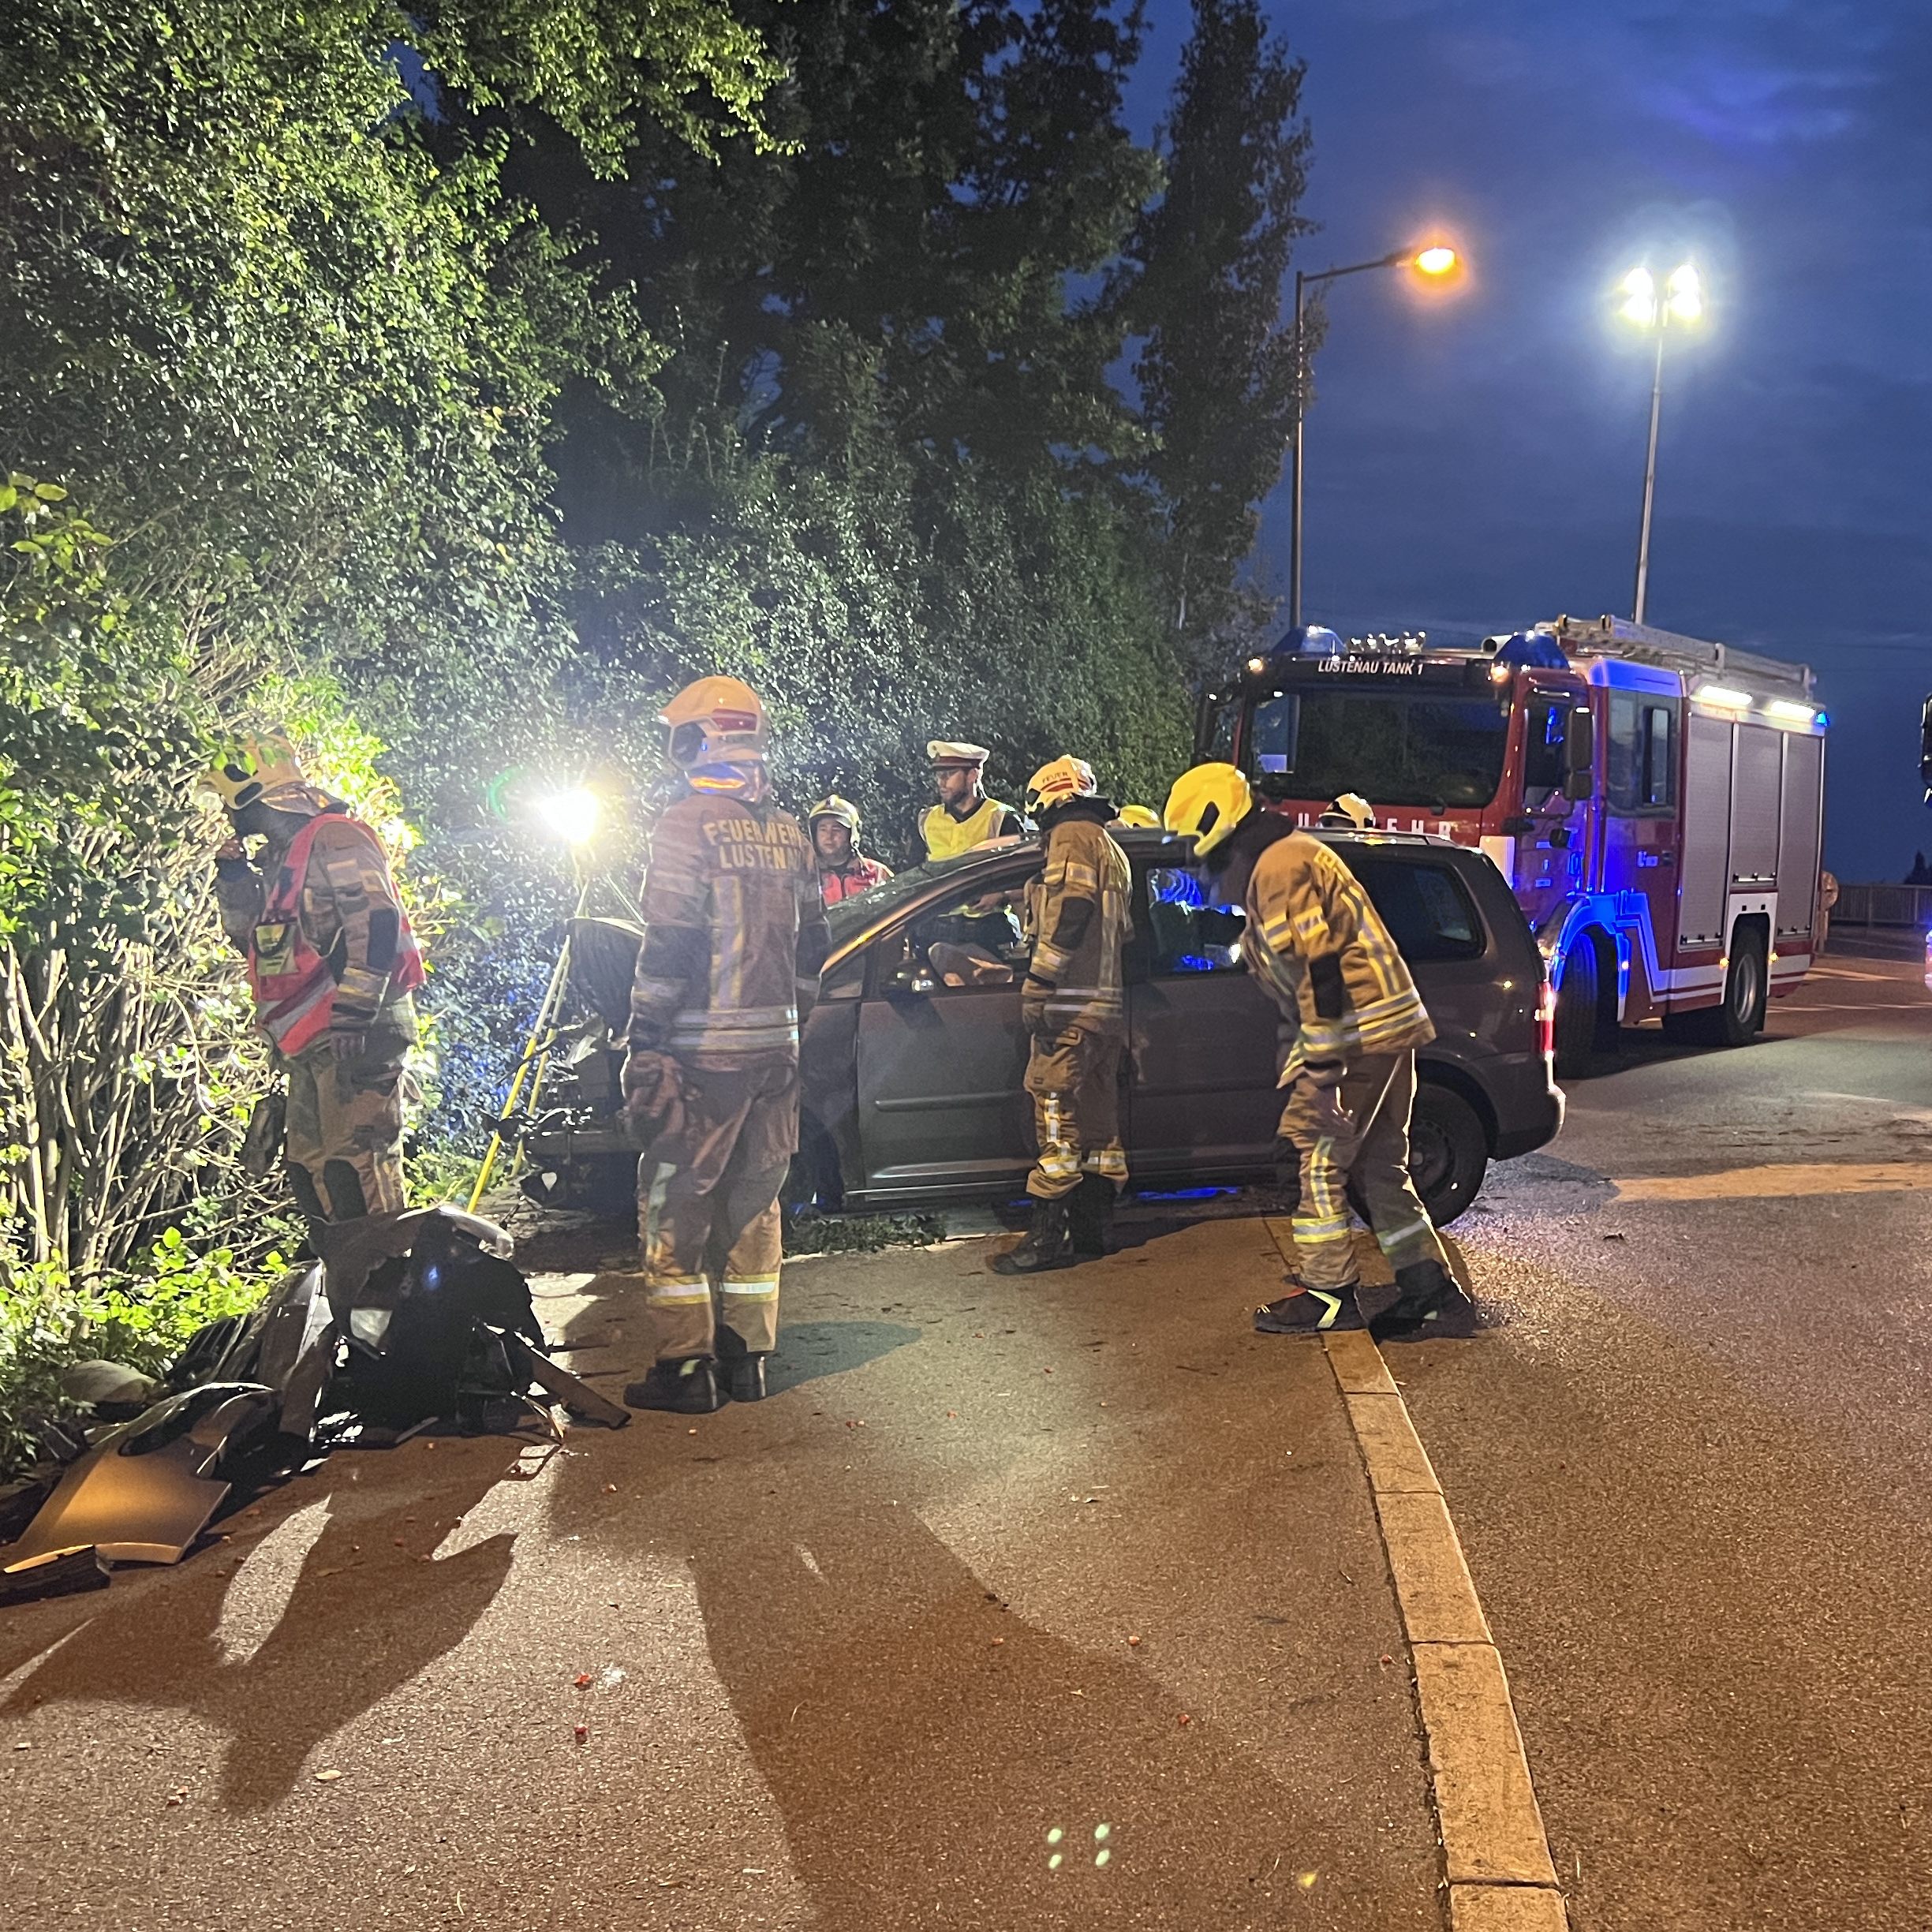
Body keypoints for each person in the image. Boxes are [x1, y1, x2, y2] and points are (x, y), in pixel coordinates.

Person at [1162, 762, 1477, 1340]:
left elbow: (1320, 970)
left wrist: (1324, 1073)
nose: (1192, 867)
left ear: (1216, 835)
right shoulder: (1286, 859)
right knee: (1380, 1166)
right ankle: (1432, 1293)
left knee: (1316, 1157)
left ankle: (1328, 1294)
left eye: (1193, 852)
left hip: (1355, 1034)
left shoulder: (1278, 868)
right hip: (1381, 1026)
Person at [623, 676, 830, 1414]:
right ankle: (749, 1359)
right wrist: (790, 1025)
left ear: (698, 739)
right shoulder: (789, 831)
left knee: (676, 1203)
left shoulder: (686, 823)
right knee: (755, 1201)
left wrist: (645, 1038)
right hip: (778, 1055)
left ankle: (687, 1369)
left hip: (704, 1054)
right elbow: (817, 944)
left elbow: (670, 941)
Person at [206, 734, 424, 1242]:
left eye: (225, 796)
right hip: (310, 1039)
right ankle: (350, 1286)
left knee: (358, 1160)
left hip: (355, 1027)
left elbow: (377, 921)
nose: (223, 809)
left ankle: (388, 1284)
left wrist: (354, 1009)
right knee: (311, 1165)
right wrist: (235, 878)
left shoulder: (336, 838)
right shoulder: (284, 859)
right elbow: (258, 945)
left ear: (253, 791)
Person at [993, 757, 1132, 1274]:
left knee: (1053, 1114)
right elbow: (1124, 936)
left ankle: (1047, 1239)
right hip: (1105, 1011)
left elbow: (1071, 907)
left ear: (1044, 800)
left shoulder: (1071, 837)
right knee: (1099, 1126)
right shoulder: (1111, 846)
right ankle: (1095, 1229)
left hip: (1067, 1011)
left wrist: (1040, 980)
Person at [920, 739, 1026, 973]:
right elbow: (915, 877)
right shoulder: (927, 820)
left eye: (949, 774)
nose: (941, 782)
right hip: (934, 932)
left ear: (973, 775)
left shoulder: (1001, 818)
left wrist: (1000, 894)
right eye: (938, 775)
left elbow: (1025, 878)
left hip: (986, 934)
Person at [808, 794, 892, 906]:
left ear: (852, 833)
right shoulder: (805, 879)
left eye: (836, 829)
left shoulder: (877, 873)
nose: (829, 836)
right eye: (823, 829)